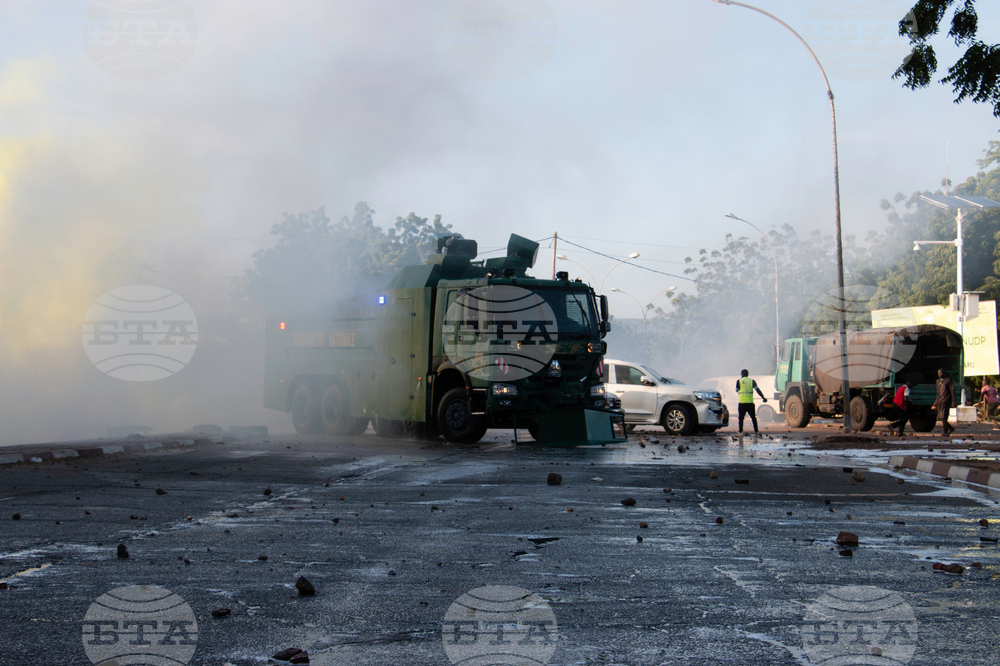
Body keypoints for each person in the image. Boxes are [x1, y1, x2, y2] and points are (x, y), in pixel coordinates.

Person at [736, 369, 767, 435]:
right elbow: (757, 390)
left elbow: (737, 390)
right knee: (753, 417)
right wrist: (763, 397)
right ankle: (756, 431)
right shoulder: (752, 381)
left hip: (742, 403)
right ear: (748, 374)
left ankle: (740, 431)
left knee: (741, 418)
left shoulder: (739, 381)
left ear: (742, 374)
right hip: (750, 403)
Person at [933, 368, 956, 436]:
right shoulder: (937, 381)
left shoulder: (948, 380)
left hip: (946, 400)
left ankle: (946, 430)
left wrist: (954, 400)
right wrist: (936, 401)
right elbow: (938, 392)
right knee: (941, 416)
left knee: (944, 416)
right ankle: (949, 428)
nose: (940, 374)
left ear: (944, 373)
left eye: (941, 373)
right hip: (939, 400)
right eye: (939, 373)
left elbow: (952, 390)